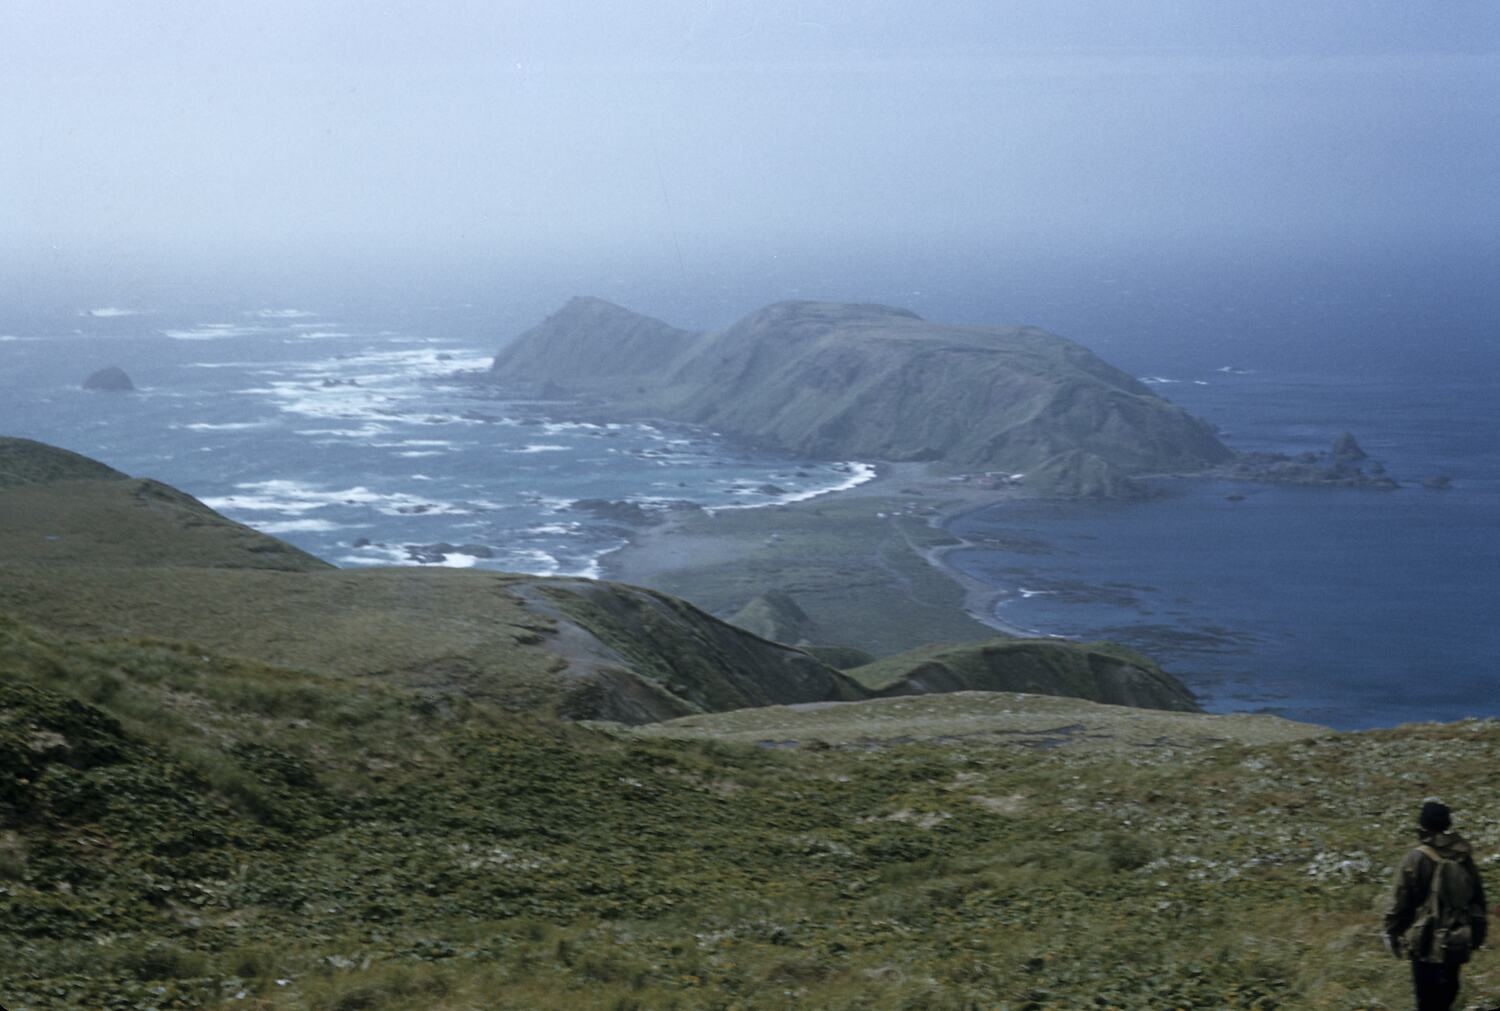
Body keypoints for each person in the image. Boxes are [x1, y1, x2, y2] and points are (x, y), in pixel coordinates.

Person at [1383, 798, 1488, 1011]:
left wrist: (1391, 932)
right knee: (1447, 995)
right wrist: (1476, 935)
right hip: (1456, 939)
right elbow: (1478, 899)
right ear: (1447, 824)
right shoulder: (1463, 857)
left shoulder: (1415, 859)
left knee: (1426, 1000)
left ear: (1423, 825)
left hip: (1423, 942)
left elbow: (1399, 902)